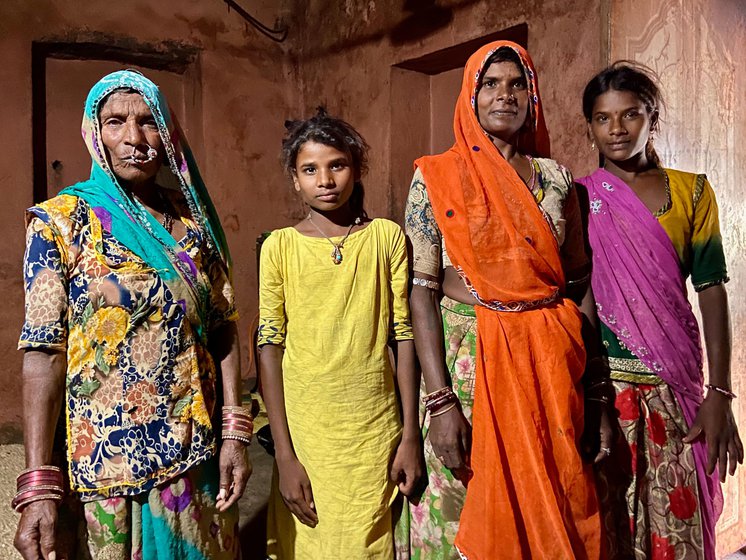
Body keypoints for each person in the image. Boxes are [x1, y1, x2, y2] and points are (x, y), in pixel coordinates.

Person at [14, 70, 251, 560]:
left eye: (148, 122)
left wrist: (235, 434)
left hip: (195, 455)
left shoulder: (192, 228)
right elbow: (43, 354)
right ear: (93, 132)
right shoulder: (59, 223)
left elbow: (223, 329)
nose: (134, 139)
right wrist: (38, 486)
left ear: (166, 133)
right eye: (115, 122)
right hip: (105, 468)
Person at [396, 41, 610, 560]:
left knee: (554, 495)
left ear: (532, 95)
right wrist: (441, 400)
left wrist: (595, 390)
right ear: (469, 95)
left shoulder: (557, 180)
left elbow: (577, 286)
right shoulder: (435, 177)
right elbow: (420, 293)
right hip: (470, 363)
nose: (504, 95)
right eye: (489, 84)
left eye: (517, 84)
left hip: (551, 366)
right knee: (464, 503)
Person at [577, 62, 743, 560]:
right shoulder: (579, 198)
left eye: (630, 115)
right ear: (589, 127)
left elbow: (711, 289)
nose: (617, 129)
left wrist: (720, 393)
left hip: (677, 391)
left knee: (681, 525)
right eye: (603, 119)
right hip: (608, 392)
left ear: (653, 118)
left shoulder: (691, 192)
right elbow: (579, 293)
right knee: (610, 528)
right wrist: (589, 393)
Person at [258, 109, 422, 558]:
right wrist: (286, 455)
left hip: (373, 426)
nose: (325, 180)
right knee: (314, 540)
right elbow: (269, 344)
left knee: (369, 541)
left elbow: (402, 336)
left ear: (357, 169)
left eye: (337, 165)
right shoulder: (280, 246)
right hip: (309, 428)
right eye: (310, 170)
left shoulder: (385, 237)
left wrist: (410, 435)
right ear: (295, 180)